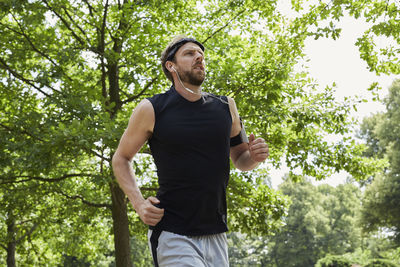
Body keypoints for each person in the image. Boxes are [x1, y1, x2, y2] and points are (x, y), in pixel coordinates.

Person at [112, 35, 269, 267]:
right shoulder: (151, 108)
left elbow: (241, 159)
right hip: (173, 231)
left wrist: (255, 157)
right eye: (189, 53)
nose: (199, 57)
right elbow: (121, 158)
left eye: (201, 54)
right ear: (171, 65)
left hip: (216, 232)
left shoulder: (227, 107)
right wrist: (138, 203)